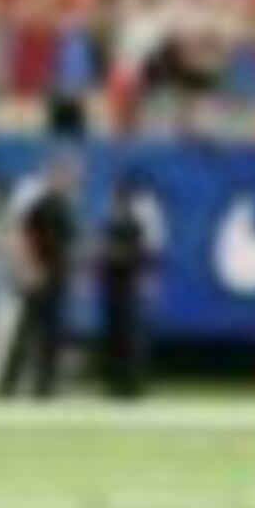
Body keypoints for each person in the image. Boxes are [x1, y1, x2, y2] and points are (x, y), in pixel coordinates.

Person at [0, 147, 83, 399]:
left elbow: (69, 240)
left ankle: (44, 385)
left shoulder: (66, 198)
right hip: (36, 269)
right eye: (70, 174)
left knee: (53, 330)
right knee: (25, 329)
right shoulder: (33, 195)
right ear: (56, 171)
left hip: (58, 271)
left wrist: (74, 271)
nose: (74, 180)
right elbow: (18, 233)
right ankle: (8, 385)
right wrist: (26, 266)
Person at [92, 166, 167, 400]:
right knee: (115, 333)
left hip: (129, 281)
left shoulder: (141, 218)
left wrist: (148, 276)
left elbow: (148, 252)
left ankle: (133, 383)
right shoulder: (111, 217)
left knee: (132, 333)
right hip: (112, 282)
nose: (120, 198)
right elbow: (102, 250)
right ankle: (115, 382)